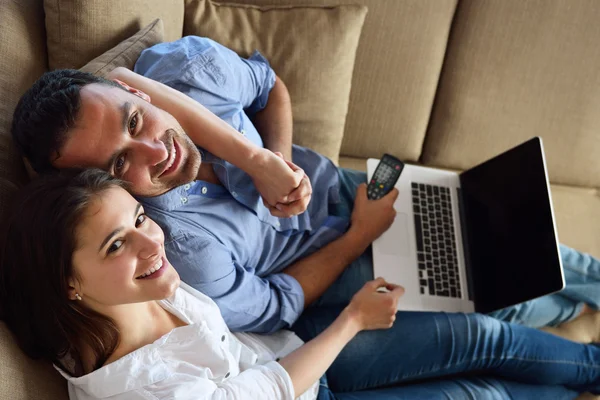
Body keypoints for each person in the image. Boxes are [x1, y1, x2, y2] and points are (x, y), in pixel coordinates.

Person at [11, 37, 600, 337]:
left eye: (134, 122)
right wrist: (355, 239)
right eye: (119, 168)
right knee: (505, 292)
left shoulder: (187, 67)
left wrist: (277, 162)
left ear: (137, 91)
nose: (153, 153)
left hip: (338, 186)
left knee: (501, 215)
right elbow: (274, 307)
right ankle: (569, 309)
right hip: (322, 271)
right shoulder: (174, 250)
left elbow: (269, 87)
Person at [1, 168, 599, 400]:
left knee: (480, 337)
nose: (150, 240)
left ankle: (587, 364)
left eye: (136, 218)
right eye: (115, 244)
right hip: (292, 384)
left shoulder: (145, 283)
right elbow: (265, 391)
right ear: (68, 286)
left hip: (295, 352)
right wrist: (353, 320)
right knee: (480, 395)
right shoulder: (140, 392)